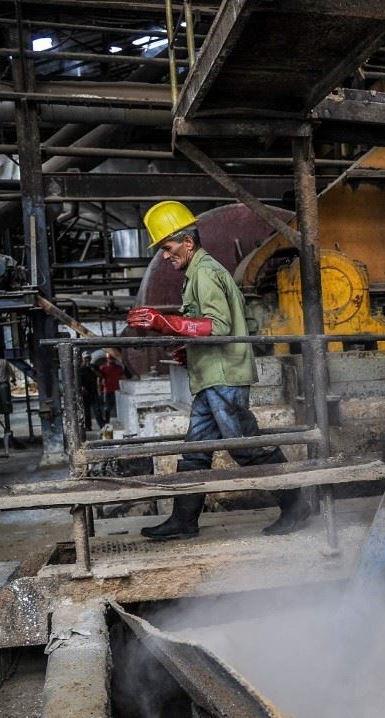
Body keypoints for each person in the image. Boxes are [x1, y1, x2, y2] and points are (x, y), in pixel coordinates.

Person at [126, 200, 308, 541]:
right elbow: (204, 328)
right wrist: (188, 350)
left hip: (224, 377)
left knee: (245, 446)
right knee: (195, 451)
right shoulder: (196, 274)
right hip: (211, 376)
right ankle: (184, 521)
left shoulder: (206, 274)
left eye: (167, 248)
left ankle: (297, 504)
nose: (165, 256)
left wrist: (165, 323)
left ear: (188, 243)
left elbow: (219, 327)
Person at [96, 352, 127, 428]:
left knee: (118, 407)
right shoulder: (103, 368)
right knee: (107, 408)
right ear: (107, 359)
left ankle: (119, 421)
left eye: (112, 359)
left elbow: (123, 377)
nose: (111, 360)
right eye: (110, 359)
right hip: (107, 390)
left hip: (117, 390)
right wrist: (99, 390)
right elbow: (99, 379)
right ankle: (107, 423)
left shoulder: (119, 368)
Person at [77, 353, 101, 430]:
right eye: (85, 358)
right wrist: (81, 387)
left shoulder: (94, 367)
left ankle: (101, 425)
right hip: (84, 393)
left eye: (88, 358)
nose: (87, 360)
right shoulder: (79, 369)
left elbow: (101, 376)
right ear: (82, 359)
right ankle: (88, 426)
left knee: (97, 410)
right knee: (86, 411)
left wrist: (93, 370)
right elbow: (76, 380)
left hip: (93, 392)